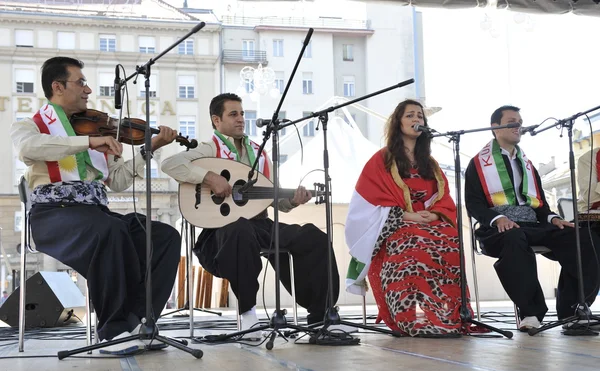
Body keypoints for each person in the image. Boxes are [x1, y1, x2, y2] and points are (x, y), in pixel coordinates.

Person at [10, 57, 181, 349]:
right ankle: (112, 330)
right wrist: (86, 143)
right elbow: (28, 149)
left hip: (96, 214)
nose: (88, 90)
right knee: (109, 231)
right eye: (81, 82)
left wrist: (147, 150)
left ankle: (139, 320)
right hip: (51, 217)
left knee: (164, 236)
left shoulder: (99, 130)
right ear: (57, 87)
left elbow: (117, 181)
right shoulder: (30, 125)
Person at [161, 93, 340, 334]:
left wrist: (293, 201)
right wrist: (209, 177)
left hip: (261, 224)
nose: (241, 119)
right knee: (240, 229)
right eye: (233, 114)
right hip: (221, 230)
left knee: (313, 237)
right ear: (216, 120)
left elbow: (275, 201)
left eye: (242, 113)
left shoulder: (260, 153)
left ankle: (320, 315)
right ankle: (247, 313)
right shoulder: (208, 149)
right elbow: (169, 164)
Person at [345, 99, 478, 336]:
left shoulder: (431, 164)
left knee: (451, 237)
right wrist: (407, 215)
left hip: (428, 222)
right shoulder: (382, 159)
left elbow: (444, 197)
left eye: (420, 116)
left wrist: (435, 212)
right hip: (396, 224)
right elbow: (366, 203)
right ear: (398, 122)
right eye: (409, 115)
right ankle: (408, 318)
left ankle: (449, 315)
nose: (416, 119)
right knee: (413, 241)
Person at [465, 105, 600, 332]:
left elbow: (540, 205)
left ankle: (574, 310)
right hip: (497, 227)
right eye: (512, 121)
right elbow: (474, 204)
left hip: (534, 224)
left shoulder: (526, 164)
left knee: (584, 238)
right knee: (514, 237)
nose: (519, 126)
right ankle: (530, 312)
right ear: (495, 127)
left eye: (520, 121)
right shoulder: (478, 164)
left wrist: (554, 219)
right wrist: (498, 219)